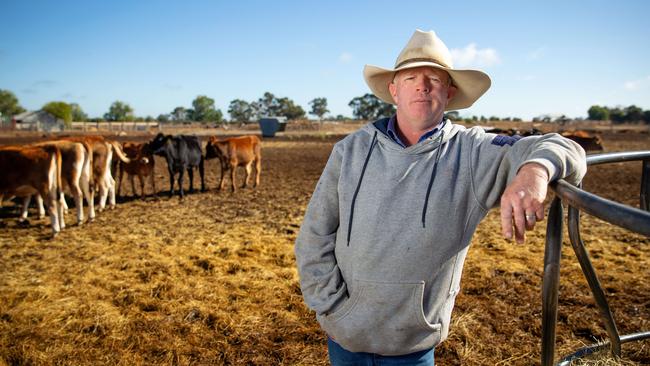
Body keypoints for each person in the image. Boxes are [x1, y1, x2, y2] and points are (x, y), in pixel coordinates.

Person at [294, 29, 586, 365]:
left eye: (434, 77)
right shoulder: (350, 151)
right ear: (394, 90)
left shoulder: (473, 152)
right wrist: (330, 308)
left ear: (449, 91)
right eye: (411, 77)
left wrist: (534, 171)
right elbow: (313, 236)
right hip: (343, 338)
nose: (422, 85)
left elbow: (565, 147)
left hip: (412, 345)